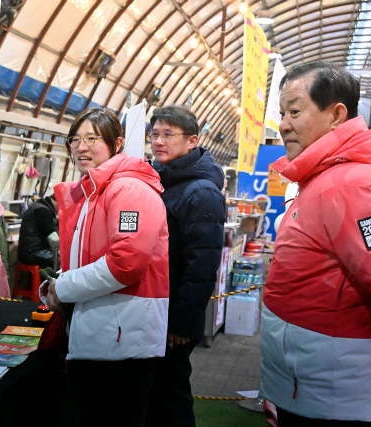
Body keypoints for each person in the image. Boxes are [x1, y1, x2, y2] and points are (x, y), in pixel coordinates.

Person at [260, 61, 371, 426]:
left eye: (294, 111)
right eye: (282, 112)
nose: (282, 124)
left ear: (336, 115)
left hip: (335, 391)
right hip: (318, 383)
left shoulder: (353, 183)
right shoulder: (328, 175)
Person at [45, 108, 169, 426]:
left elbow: (126, 263)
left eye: (91, 138)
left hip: (121, 338)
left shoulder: (129, 190)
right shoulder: (94, 191)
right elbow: (86, 257)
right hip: (104, 334)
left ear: (117, 143)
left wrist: (62, 287)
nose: (81, 147)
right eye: (75, 139)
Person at [145, 105, 226, 427]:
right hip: (156, 307)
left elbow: (203, 263)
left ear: (192, 140)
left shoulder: (201, 191)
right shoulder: (163, 180)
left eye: (168, 134)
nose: (158, 142)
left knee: (171, 395)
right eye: (154, 134)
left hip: (174, 318)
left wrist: (182, 323)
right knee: (157, 391)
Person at [17, 194, 58, 269]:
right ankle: (51, 281)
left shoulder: (38, 206)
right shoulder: (42, 211)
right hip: (32, 252)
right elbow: (51, 235)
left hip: (28, 250)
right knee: (59, 261)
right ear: (57, 202)